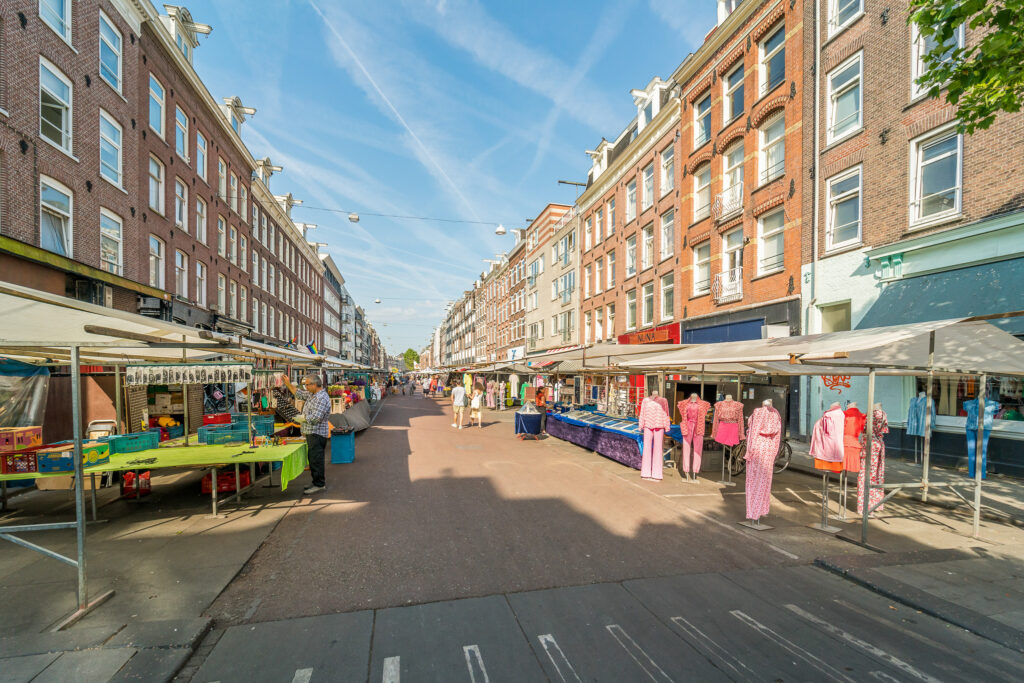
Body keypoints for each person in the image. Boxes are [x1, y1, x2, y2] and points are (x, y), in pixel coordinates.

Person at [283, 374, 332, 495]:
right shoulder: (312, 394)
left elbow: (316, 418)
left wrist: (302, 418)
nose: (305, 387)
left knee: (316, 459)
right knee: (313, 459)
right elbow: (299, 394)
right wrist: (288, 383)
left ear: (315, 384)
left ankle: (319, 484)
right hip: (311, 433)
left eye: (307, 384)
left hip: (317, 433)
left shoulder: (321, 398)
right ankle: (316, 482)